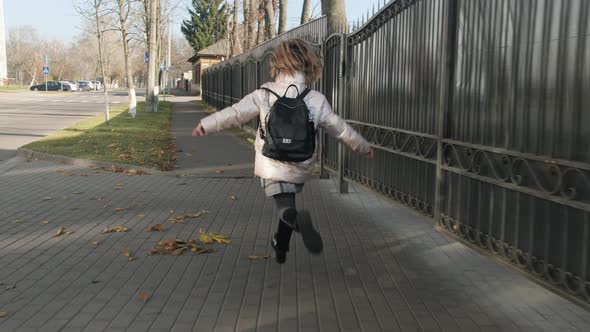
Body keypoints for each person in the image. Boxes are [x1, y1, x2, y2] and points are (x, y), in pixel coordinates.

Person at [192, 39, 374, 264]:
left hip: (271, 162)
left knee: (285, 207)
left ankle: (296, 220)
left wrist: (207, 124)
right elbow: (340, 128)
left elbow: (235, 113)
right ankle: (281, 246)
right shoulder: (316, 99)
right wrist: (362, 147)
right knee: (288, 202)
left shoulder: (265, 93)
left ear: (277, 64)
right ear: (309, 66)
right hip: (300, 163)